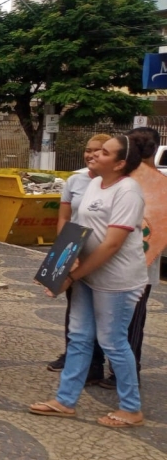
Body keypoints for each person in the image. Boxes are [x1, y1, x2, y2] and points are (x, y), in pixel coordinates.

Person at [29, 135, 146, 428]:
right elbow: (78, 228)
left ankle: (131, 408)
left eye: (104, 153)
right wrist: (61, 268)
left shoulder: (128, 191)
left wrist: (71, 275)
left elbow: (111, 245)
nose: (94, 155)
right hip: (86, 276)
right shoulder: (94, 183)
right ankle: (65, 401)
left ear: (120, 164)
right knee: (79, 338)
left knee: (113, 342)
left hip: (116, 281)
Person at [99, 127, 162, 389]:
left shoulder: (123, 182)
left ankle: (124, 374)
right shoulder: (156, 184)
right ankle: (122, 371)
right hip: (138, 268)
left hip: (123, 266)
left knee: (119, 323)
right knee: (130, 322)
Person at [47, 133, 112, 376]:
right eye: (88, 149)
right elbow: (64, 217)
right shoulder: (75, 181)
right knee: (75, 307)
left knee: (101, 310)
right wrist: (65, 251)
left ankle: (97, 361)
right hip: (74, 252)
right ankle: (73, 355)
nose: (91, 154)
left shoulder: (117, 184)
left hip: (101, 255)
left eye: (98, 150)